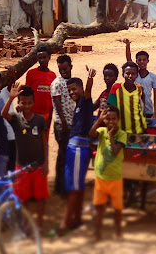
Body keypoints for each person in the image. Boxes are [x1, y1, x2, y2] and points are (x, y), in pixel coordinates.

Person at [1, 84, 49, 230]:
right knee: (23, 198)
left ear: (33, 103)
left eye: (29, 103)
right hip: (21, 166)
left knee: (41, 198)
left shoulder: (40, 120)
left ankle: (39, 224)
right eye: (23, 103)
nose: (26, 106)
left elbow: (45, 143)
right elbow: (3, 114)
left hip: (38, 165)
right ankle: (25, 224)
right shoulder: (16, 119)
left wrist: (46, 163)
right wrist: (10, 98)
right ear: (19, 103)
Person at [57, 66, 96, 235]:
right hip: (78, 148)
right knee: (77, 186)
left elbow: (88, 91)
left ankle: (65, 223)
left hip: (78, 148)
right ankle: (77, 219)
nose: (71, 92)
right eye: (69, 90)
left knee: (73, 187)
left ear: (80, 88)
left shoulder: (84, 102)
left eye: (74, 89)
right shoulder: (79, 106)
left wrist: (90, 79)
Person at [89, 105, 127, 241]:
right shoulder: (101, 130)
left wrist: (110, 136)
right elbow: (91, 134)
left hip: (115, 177)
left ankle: (118, 232)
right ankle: (97, 232)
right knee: (99, 207)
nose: (111, 122)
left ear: (118, 119)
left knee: (117, 208)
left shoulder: (122, 134)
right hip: (101, 177)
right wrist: (99, 120)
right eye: (108, 119)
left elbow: (116, 151)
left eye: (114, 119)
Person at [50, 55, 75, 196]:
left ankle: (66, 185)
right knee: (63, 156)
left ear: (71, 66)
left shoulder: (73, 82)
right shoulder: (57, 83)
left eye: (65, 68)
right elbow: (57, 104)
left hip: (71, 123)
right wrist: (64, 123)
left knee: (68, 156)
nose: (63, 71)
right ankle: (60, 188)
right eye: (60, 69)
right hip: (62, 125)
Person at [123, 39, 156, 119]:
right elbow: (129, 60)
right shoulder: (134, 75)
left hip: (148, 110)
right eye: (139, 60)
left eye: (144, 60)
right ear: (136, 61)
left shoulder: (153, 77)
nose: (142, 62)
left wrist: (155, 113)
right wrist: (127, 46)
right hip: (134, 109)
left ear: (148, 61)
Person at [26, 46, 57, 138]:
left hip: (46, 114)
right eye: (40, 58)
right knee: (32, 140)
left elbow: (52, 99)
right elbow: (27, 93)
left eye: (44, 57)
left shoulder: (52, 75)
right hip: (33, 114)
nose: (42, 60)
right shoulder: (31, 73)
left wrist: (50, 118)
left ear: (49, 57)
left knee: (44, 140)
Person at [107, 61, 146, 134]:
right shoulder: (116, 88)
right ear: (123, 74)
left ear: (137, 75)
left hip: (139, 130)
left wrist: (143, 115)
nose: (130, 76)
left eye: (133, 74)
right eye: (127, 73)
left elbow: (143, 107)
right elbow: (111, 108)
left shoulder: (140, 89)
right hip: (121, 132)